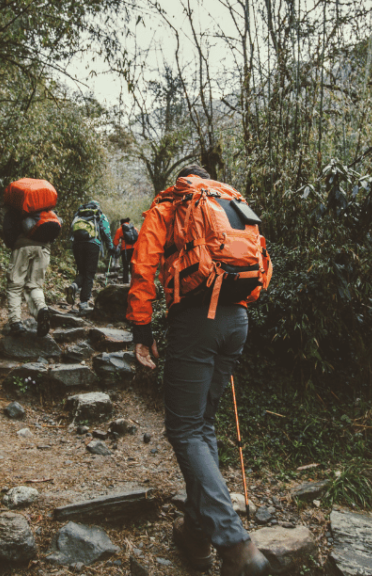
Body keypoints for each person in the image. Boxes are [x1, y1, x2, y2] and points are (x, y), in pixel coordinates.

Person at [127, 165, 272, 576]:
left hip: (196, 320)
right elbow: (259, 263)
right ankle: (195, 534)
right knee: (203, 427)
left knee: (185, 430)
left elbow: (145, 262)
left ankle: (236, 544)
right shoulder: (233, 201)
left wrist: (141, 327)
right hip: (238, 319)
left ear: (182, 179)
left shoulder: (173, 200)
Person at [1, 203, 52, 338]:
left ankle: (16, 322)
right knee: (35, 285)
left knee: (14, 286)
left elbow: (7, 229)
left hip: (22, 247)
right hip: (43, 248)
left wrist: (13, 244)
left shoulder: (16, 208)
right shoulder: (45, 206)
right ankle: (42, 309)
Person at [67, 200, 112, 312]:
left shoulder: (79, 213)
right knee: (89, 274)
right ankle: (83, 303)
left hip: (77, 244)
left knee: (82, 272)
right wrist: (110, 246)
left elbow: (72, 229)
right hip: (92, 244)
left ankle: (74, 286)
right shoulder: (99, 214)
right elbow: (106, 231)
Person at [113, 217, 138, 284]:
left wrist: (115, 248)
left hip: (125, 250)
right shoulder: (134, 229)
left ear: (121, 223)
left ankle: (125, 282)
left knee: (125, 267)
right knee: (134, 265)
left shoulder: (120, 229)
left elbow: (115, 241)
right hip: (134, 249)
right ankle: (134, 282)